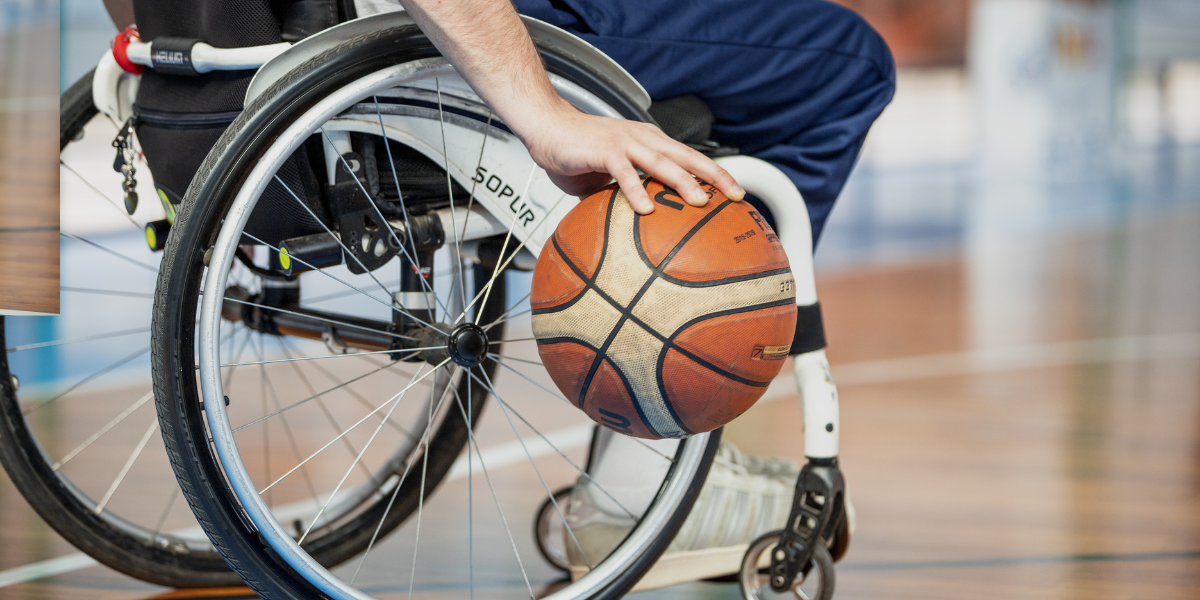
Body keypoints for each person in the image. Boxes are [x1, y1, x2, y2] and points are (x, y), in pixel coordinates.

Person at [105, 0, 894, 587]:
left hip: (208, 80)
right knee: (846, 65)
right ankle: (643, 460)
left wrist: (173, 52)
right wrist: (544, 117)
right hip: (422, 35)